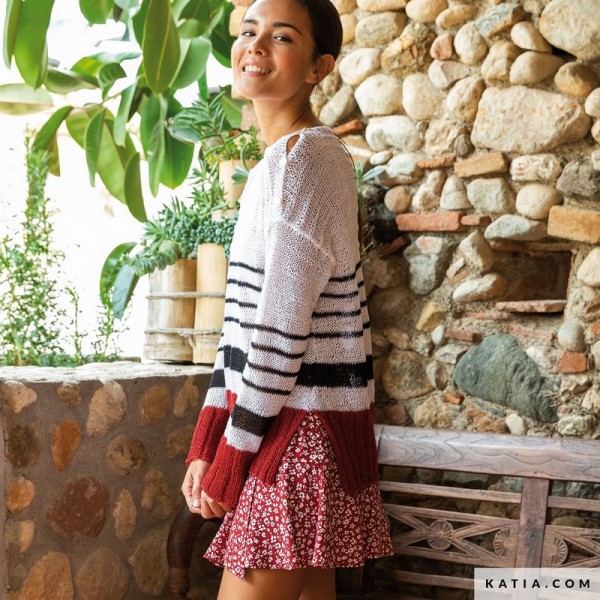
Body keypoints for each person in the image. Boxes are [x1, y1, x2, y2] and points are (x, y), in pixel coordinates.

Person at [181, 0, 394, 598]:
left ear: (318, 67)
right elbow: (240, 331)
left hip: (301, 440)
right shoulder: (274, 165)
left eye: (281, 37)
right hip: (292, 432)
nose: (254, 45)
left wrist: (231, 455)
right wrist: (209, 438)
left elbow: (280, 333)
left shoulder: (308, 160)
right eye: (249, 31)